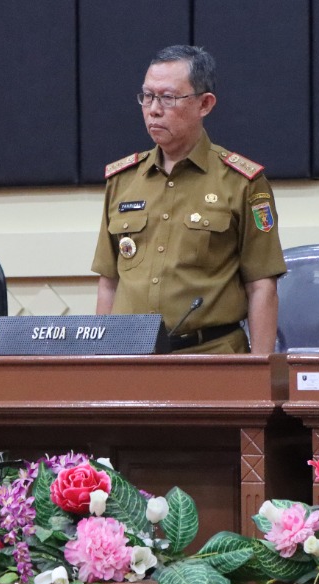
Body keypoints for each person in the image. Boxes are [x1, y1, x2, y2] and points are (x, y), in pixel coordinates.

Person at [92, 45, 286, 353]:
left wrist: (258, 376)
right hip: (131, 357)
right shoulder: (122, 181)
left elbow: (261, 285)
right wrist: (100, 361)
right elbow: (109, 282)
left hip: (209, 357)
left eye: (168, 98)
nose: (153, 109)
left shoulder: (240, 182)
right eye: (147, 96)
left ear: (204, 104)